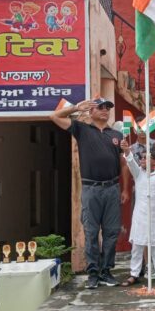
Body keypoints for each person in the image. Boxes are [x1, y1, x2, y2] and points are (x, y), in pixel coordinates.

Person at [49, 98, 129, 289]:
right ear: (91, 111)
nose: (105, 110)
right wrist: (76, 107)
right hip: (91, 189)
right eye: (100, 107)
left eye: (107, 107)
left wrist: (125, 188)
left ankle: (106, 271)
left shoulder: (117, 134)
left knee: (111, 232)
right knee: (91, 232)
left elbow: (124, 163)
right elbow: (54, 116)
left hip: (112, 188)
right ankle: (93, 273)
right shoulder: (82, 129)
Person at [120, 141, 155, 286]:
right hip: (140, 217)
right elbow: (131, 162)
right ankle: (134, 274)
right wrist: (127, 150)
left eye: (145, 158)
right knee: (137, 246)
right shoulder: (138, 174)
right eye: (141, 158)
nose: (142, 160)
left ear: (154, 161)